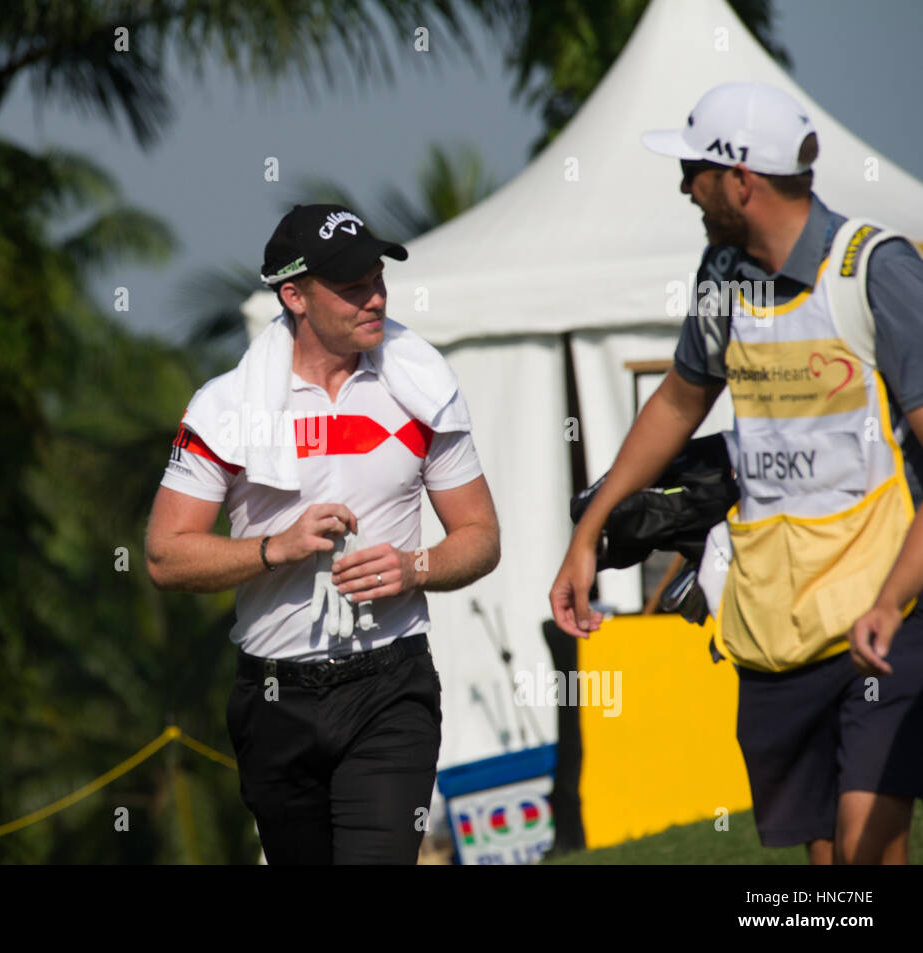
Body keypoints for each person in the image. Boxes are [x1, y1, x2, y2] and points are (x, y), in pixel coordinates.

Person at [549, 81, 923, 865]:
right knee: (826, 864)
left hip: (890, 609)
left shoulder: (875, 271)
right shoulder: (723, 276)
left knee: (863, 846)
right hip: (778, 620)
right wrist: (589, 530)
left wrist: (892, 598)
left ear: (742, 180)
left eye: (695, 170)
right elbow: (679, 402)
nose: (685, 186)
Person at [146, 204, 500, 864]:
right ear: (293, 295)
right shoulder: (225, 407)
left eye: (377, 278)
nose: (374, 298)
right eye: (351, 286)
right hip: (273, 697)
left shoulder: (422, 387)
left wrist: (416, 566)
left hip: (391, 686)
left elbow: (481, 534)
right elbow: (166, 555)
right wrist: (269, 549)